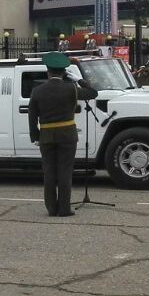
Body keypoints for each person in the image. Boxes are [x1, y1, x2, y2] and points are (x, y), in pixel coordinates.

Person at [27, 52, 98, 217]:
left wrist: (35, 136)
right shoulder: (71, 88)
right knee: (65, 172)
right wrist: (78, 80)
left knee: (49, 172)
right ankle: (64, 209)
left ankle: (52, 209)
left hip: (46, 136)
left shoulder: (37, 91)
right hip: (67, 135)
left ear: (48, 71)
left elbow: (32, 116)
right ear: (64, 72)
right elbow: (93, 93)